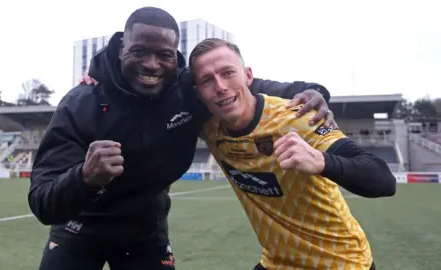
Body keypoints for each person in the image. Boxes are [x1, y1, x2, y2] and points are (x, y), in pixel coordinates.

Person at [29, 7, 336, 270]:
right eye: (139, 52)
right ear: (122, 47)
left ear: (175, 55)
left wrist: (314, 92)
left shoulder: (188, 90)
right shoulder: (80, 103)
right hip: (80, 229)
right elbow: (42, 201)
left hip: (145, 231)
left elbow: (249, 89)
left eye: (164, 55)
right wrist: (84, 178)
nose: (152, 65)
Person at [189, 38, 396, 269]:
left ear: (248, 76)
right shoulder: (209, 127)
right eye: (208, 80)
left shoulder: (297, 117)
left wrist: (321, 161)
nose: (220, 86)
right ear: (198, 93)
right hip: (278, 261)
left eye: (228, 73)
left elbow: (384, 180)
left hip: (340, 262)